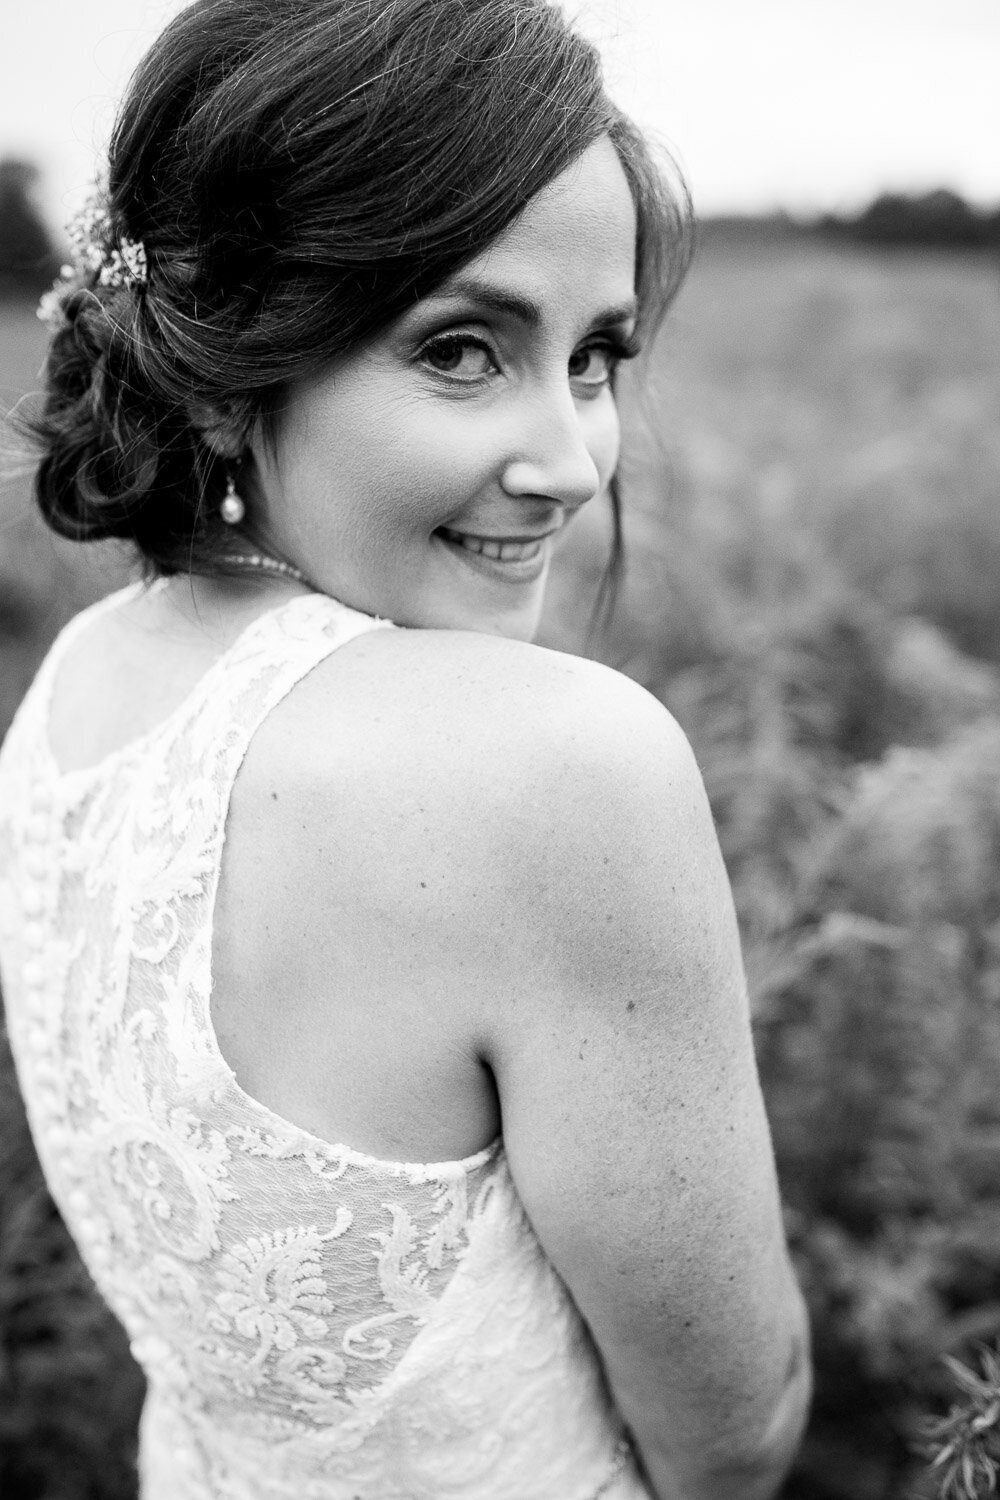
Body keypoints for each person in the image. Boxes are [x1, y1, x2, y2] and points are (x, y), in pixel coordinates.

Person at [0, 1, 811, 1496]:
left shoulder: (80, 685)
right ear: (236, 358)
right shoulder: (557, 770)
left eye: (596, 355)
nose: (571, 461)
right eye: (459, 349)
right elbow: (739, 1432)